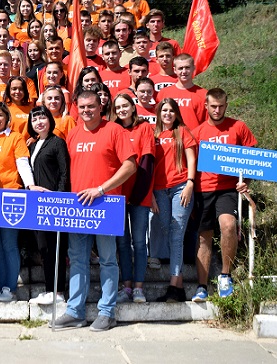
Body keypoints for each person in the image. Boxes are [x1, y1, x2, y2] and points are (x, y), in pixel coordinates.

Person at [53, 90, 136, 331]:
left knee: (108, 260)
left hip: (106, 205)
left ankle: (107, 312)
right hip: (78, 207)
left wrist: (101, 189)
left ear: (101, 107)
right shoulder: (73, 133)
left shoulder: (114, 130)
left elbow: (130, 166)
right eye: (82, 107)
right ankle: (75, 311)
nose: (86, 110)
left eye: (91, 106)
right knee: (78, 259)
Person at [191, 88, 257, 301]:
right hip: (203, 189)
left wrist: (246, 182)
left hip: (228, 189)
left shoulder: (238, 127)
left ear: (226, 106)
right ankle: (202, 286)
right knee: (204, 237)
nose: (217, 110)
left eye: (221, 106)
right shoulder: (198, 132)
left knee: (228, 226)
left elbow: (253, 158)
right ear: (206, 106)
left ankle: (225, 276)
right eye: (213, 106)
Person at [0, 102, 35, 302]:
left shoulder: (15, 137)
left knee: (9, 245)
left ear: (6, 117)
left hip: (11, 199)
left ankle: (10, 289)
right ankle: (1, 287)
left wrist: (30, 186)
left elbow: (23, 165)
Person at [109, 93, 155, 304]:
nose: (121, 110)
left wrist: (138, 194)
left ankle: (138, 288)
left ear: (133, 106)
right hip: (118, 195)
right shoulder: (114, 129)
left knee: (139, 242)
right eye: (117, 107)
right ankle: (126, 286)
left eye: (125, 105)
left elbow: (147, 162)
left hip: (139, 194)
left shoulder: (144, 128)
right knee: (122, 242)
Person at [152, 97, 197, 302]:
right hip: (159, 189)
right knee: (167, 230)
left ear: (176, 113)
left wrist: (190, 183)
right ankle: (178, 287)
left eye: (171, 110)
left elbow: (191, 159)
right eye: (164, 110)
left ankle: (173, 284)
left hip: (181, 187)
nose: (167, 114)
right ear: (159, 114)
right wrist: (150, 194)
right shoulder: (154, 134)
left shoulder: (183, 132)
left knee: (177, 233)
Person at [26, 107, 71, 305]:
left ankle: (58, 291)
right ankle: (48, 289)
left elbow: (64, 173)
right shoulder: (33, 145)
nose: (39, 122)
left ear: (50, 120)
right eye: (34, 119)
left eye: (42, 117)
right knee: (44, 248)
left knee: (55, 248)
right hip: (38, 205)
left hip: (54, 204)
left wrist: (58, 198)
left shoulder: (57, 142)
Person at [156, 53, 207, 129]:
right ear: (175, 70)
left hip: (193, 136)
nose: (184, 71)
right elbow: (158, 120)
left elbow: (207, 123)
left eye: (187, 67)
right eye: (180, 68)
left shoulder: (204, 94)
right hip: (169, 135)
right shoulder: (163, 93)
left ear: (193, 68)